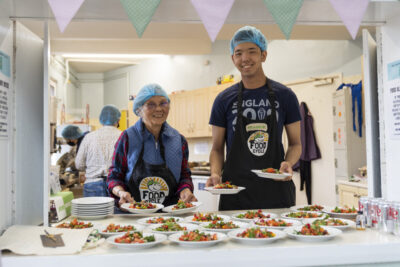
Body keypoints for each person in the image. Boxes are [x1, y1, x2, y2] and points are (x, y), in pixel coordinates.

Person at [206, 26, 302, 210]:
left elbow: (296, 144)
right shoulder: (223, 99)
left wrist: (288, 163)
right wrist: (216, 174)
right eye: (239, 53)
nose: (245, 58)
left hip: (276, 190)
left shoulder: (285, 95)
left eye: (252, 51)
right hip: (234, 191)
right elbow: (217, 148)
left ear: (263, 55)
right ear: (233, 58)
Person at [107, 84, 197, 211]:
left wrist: (186, 189)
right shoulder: (127, 137)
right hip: (134, 215)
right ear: (139, 110)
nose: (159, 109)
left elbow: (184, 176)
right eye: (151, 104)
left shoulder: (178, 140)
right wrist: (121, 193)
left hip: (171, 217)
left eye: (163, 103)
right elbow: (114, 177)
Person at [75, 105, 122, 197]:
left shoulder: (89, 137)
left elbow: (79, 164)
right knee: (116, 212)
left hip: (92, 184)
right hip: (117, 186)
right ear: (118, 120)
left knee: (94, 211)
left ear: (101, 120)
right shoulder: (123, 136)